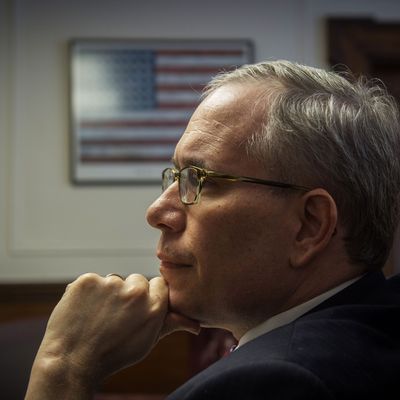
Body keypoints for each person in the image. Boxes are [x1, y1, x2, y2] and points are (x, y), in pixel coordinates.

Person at [25, 60, 400, 399]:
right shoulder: (373, 330)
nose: (157, 212)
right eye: (175, 176)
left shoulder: (269, 383)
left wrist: (64, 364)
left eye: (201, 179)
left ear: (309, 225)